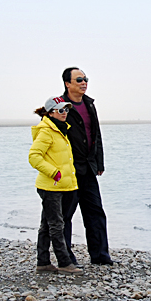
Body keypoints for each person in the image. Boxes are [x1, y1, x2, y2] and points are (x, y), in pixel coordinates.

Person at [60, 67, 113, 265]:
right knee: (65, 215)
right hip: (69, 170)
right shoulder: (59, 106)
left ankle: (100, 256)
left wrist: (99, 162)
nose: (84, 83)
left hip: (89, 168)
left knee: (95, 212)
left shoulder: (89, 104)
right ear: (68, 83)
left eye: (86, 79)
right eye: (79, 79)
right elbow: (50, 137)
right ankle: (66, 258)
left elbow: (96, 135)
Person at [28, 96, 83, 275]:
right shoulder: (46, 131)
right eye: (61, 110)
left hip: (61, 186)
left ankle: (43, 262)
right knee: (56, 225)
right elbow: (34, 156)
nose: (65, 113)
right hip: (50, 187)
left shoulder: (61, 130)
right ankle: (64, 262)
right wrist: (53, 172)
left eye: (66, 109)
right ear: (50, 113)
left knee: (47, 224)